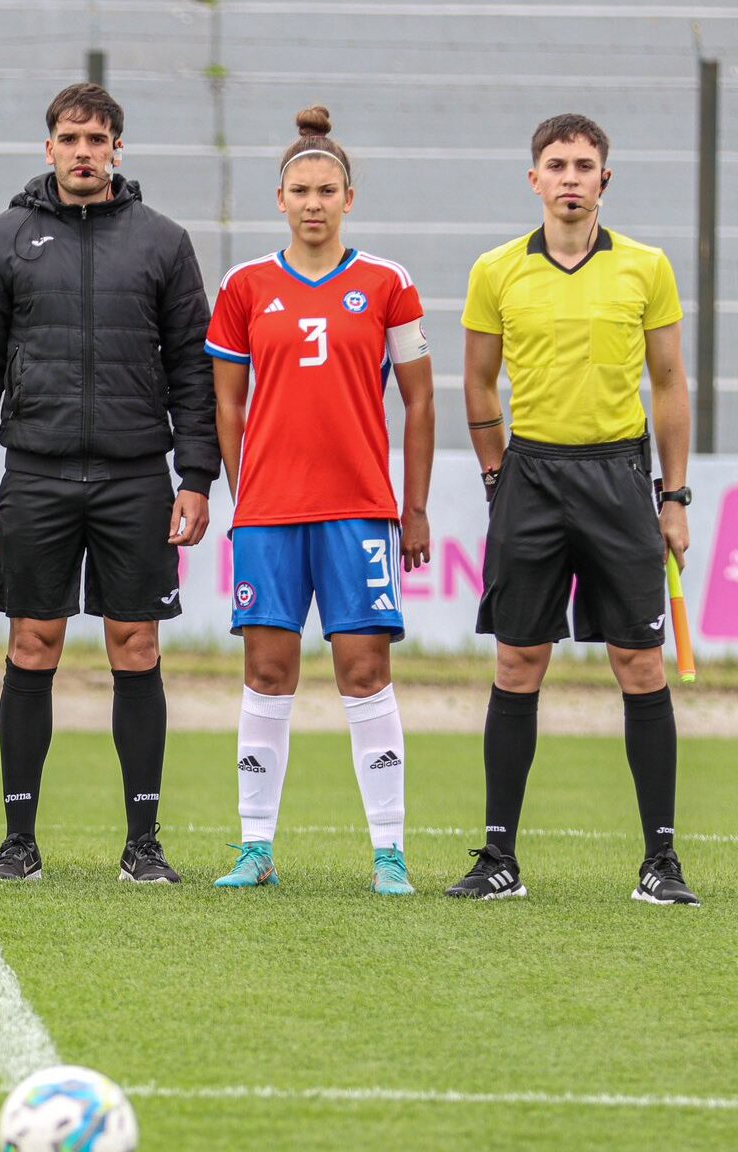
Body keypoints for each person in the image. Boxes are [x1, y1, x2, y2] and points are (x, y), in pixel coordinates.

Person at [0, 82, 216, 884]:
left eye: (97, 140)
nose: (83, 152)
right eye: (70, 138)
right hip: (36, 471)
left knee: (135, 647)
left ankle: (143, 846)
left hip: (136, 474)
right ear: (49, 148)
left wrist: (195, 475)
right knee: (33, 645)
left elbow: (192, 372)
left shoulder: (163, 242)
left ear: (117, 151)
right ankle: (19, 844)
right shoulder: (2, 239)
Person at [448, 113, 699, 905]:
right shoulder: (495, 270)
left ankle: (661, 863)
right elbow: (480, 382)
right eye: (555, 164)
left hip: (620, 480)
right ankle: (499, 861)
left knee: (640, 664)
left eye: (583, 165)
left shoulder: (646, 267)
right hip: (532, 478)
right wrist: (497, 475)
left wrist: (675, 496)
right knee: (518, 662)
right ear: (534, 179)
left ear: (603, 181)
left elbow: (668, 384)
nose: (569, 177)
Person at [203, 106, 435, 894]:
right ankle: (256, 847)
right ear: (279, 198)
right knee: (268, 673)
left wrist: (415, 506)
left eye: (326, 189)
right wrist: (246, 495)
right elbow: (226, 407)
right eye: (299, 189)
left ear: (348, 197)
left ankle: (390, 852)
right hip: (269, 514)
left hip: (359, 509)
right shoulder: (245, 287)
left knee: (364, 672)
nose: (313, 202)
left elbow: (421, 402)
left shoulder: (387, 283)